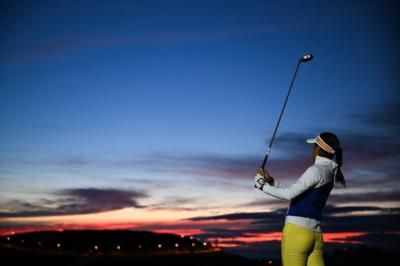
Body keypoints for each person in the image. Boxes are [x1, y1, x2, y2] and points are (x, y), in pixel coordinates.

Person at [254, 132, 345, 266]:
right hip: (316, 236)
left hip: (297, 233)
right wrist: (272, 182)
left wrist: (261, 186)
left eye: (313, 146)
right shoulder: (329, 172)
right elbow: (297, 190)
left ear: (318, 148)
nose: (311, 150)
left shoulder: (316, 170)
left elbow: (289, 194)